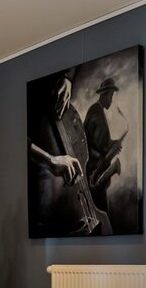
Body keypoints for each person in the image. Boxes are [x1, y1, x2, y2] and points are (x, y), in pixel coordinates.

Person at [27, 72, 108, 235]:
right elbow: (17, 142)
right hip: (47, 216)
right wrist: (50, 161)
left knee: (104, 218)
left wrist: (67, 77)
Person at [82, 78, 126, 220]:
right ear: (105, 94)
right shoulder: (97, 111)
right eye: (111, 96)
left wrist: (113, 144)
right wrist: (113, 145)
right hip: (96, 173)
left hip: (93, 171)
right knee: (102, 214)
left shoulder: (95, 110)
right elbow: (101, 144)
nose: (111, 100)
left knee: (98, 214)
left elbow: (98, 141)